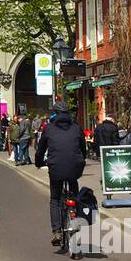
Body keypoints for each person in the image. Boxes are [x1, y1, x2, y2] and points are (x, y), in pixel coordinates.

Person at [42, 105, 87, 251]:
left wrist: (38, 161)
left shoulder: (48, 128)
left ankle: (56, 232)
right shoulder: (76, 128)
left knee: (55, 199)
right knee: (75, 193)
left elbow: (41, 148)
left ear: (55, 114)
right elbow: (83, 146)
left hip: (56, 167)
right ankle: (77, 216)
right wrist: (82, 159)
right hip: (75, 167)